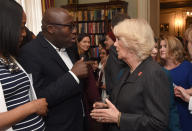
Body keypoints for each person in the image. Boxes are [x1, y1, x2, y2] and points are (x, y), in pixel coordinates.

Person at [91, 19, 170, 131]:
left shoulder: (154, 73)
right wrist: (106, 107)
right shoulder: (128, 70)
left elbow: (158, 123)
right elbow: (131, 104)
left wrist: (119, 118)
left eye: (119, 39)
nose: (115, 44)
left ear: (132, 43)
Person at [18, 8, 89, 131]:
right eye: (70, 27)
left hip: (79, 122)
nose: (75, 31)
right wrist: (73, 75)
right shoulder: (30, 53)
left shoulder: (69, 46)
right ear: (51, 29)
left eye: (75, 26)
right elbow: (37, 98)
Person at [0, 1, 48, 130]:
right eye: (21, 27)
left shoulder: (9, 57)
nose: (24, 33)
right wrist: (32, 107)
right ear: (5, 26)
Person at [159, 35, 192, 131]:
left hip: (185, 110)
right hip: (166, 114)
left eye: (165, 46)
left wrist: (184, 92)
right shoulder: (158, 69)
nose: (161, 49)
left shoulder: (186, 66)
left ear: (173, 48)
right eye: (160, 47)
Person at [104, 13, 130, 98]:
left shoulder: (115, 49)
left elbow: (116, 80)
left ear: (112, 28)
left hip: (118, 98)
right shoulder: (131, 46)